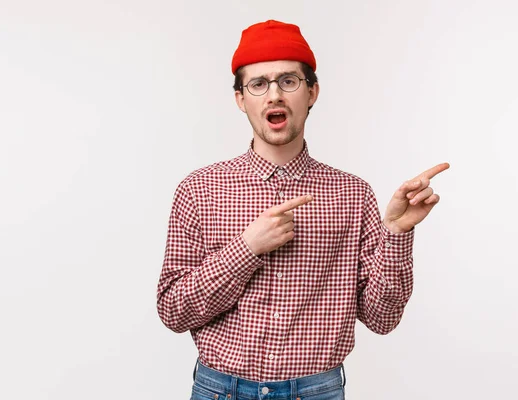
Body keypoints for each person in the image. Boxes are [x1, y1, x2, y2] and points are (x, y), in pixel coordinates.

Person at [156, 19, 449, 400]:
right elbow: (174, 312)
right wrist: (246, 249)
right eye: (258, 84)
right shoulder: (199, 190)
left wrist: (396, 233)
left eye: (288, 81)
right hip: (220, 391)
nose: (274, 95)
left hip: (316, 392)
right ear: (240, 99)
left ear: (312, 92)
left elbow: (382, 318)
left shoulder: (353, 194)